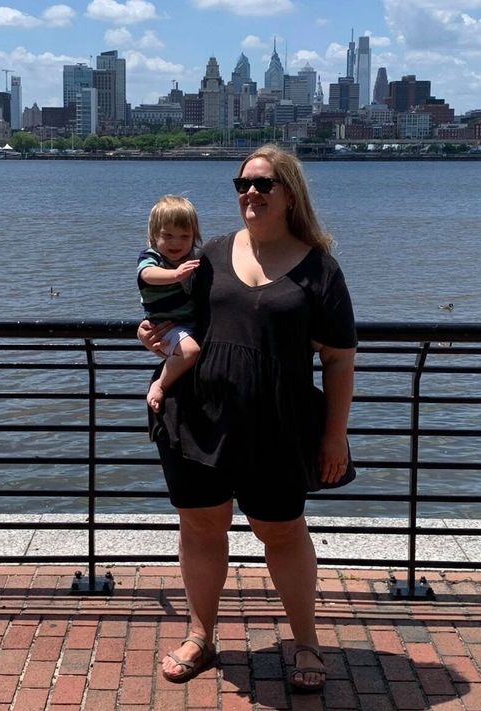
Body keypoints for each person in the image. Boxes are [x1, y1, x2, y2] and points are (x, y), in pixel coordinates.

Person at [138, 145, 357, 693]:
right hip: (200, 415)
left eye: (263, 184)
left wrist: (335, 436)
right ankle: (201, 634)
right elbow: (168, 318)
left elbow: (338, 358)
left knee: (281, 530)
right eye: (242, 185)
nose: (250, 193)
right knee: (201, 526)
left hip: (279, 425)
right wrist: (151, 339)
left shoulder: (319, 268)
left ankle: (305, 641)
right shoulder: (207, 255)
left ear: (290, 194)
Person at [137, 195, 202, 413]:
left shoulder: (194, 257)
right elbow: (147, 274)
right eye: (168, 235)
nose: (176, 243)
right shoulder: (152, 257)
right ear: (154, 236)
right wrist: (174, 274)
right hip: (166, 325)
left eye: (185, 236)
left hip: (188, 324)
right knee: (191, 352)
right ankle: (160, 385)